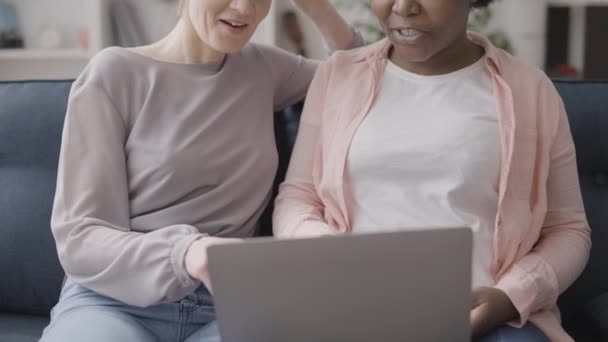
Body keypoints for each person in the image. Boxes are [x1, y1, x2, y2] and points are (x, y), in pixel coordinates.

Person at [40, 1, 359, 341]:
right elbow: (80, 236)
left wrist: (316, 7)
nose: (243, 8)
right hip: (114, 302)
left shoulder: (265, 68)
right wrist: (188, 252)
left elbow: (362, 74)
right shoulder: (114, 73)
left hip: (228, 304)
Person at [273, 0, 591, 341]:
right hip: (353, 309)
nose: (403, 7)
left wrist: (510, 297)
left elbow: (568, 230)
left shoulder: (532, 90)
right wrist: (329, 253)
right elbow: (297, 198)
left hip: (488, 322)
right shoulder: (337, 75)